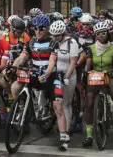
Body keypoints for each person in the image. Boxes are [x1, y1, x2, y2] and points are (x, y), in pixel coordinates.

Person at [81, 20, 113, 147]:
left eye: (103, 33)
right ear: (95, 35)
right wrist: (87, 71)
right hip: (95, 76)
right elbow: (88, 64)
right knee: (90, 102)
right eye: (98, 34)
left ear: (108, 34)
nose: (101, 36)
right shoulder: (91, 48)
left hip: (108, 75)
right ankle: (89, 135)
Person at [45, 20, 79, 151]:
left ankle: (67, 130)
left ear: (63, 33)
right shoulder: (54, 42)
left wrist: (67, 77)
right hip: (57, 76)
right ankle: (63, 132)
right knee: (58, 103)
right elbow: (52, 60)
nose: (54, 38)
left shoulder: (72, 43)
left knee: (66, 104)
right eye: (52, 35)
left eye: (57, 36)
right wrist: (46, 75)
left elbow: (73, 63)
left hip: (69, 75)